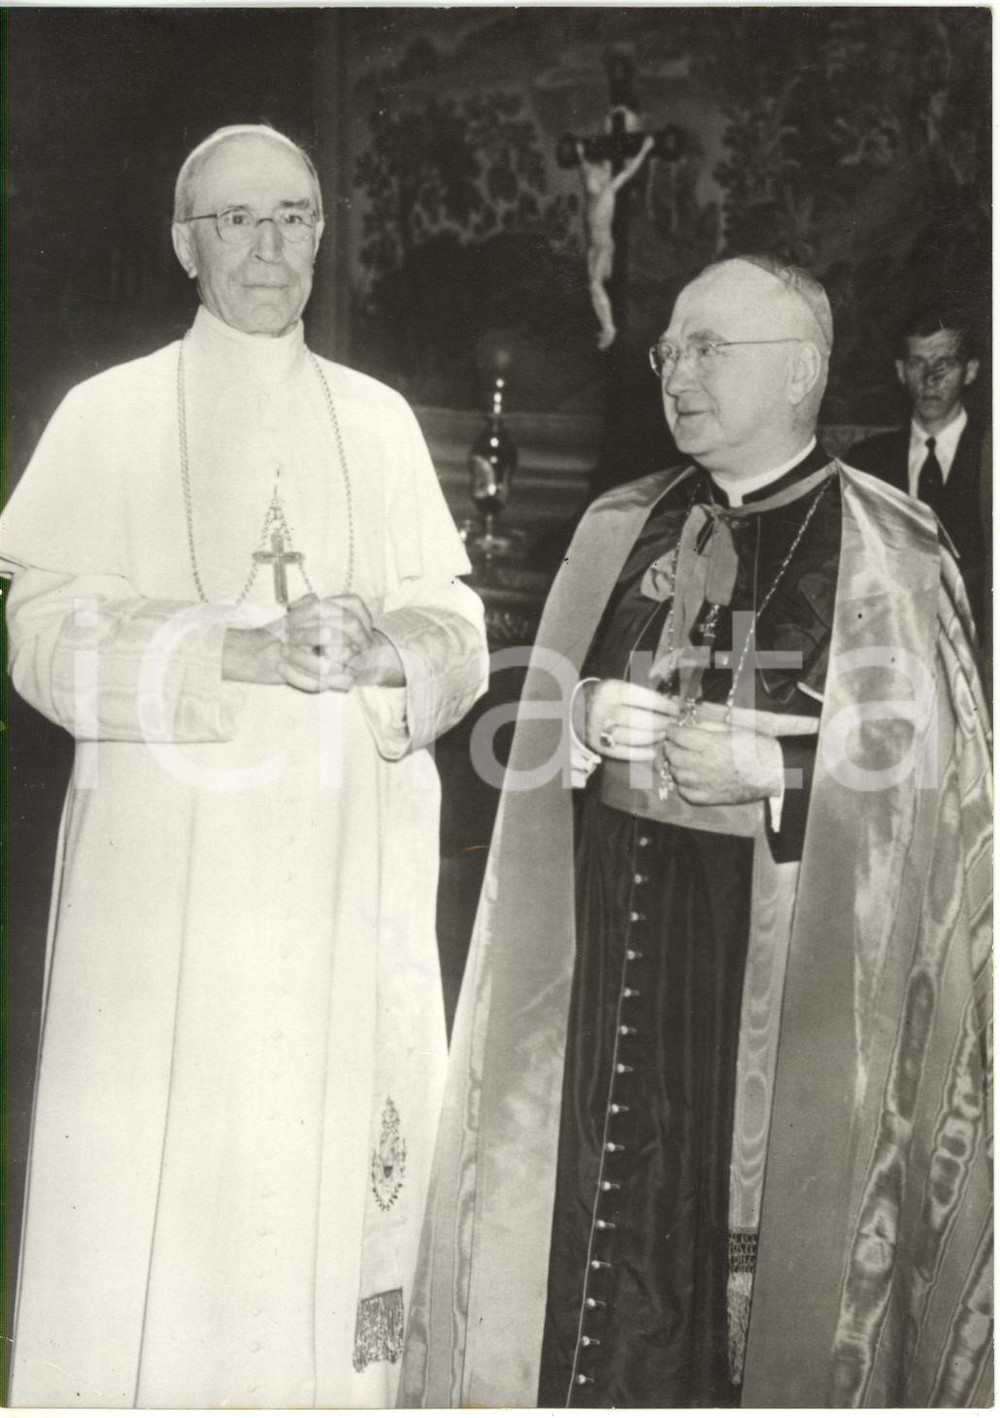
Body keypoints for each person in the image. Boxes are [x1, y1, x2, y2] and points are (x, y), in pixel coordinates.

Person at [399, 257, 992, 1407]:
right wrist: (574, 721)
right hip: (612, 954)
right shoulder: (623, 520)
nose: (677, 372)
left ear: (802, 373)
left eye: (710, 348)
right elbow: (519, 746)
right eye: (670, 349)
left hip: (773, 973)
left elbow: (950, 785)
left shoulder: (890, 547)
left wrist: (777, 765)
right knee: (602, 1261)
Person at [1, 124, 488, 1407]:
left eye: (293, 216)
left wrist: (384, 643)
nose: (269, 245)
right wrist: (241, 650)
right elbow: (44, 642)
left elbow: (460, 627)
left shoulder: (376, 421)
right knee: (169, 1204)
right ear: (185, 244)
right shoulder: (105, 414)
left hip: (340, 878)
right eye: (236, 221)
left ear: (322, 234)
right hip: (168, 894)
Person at [847, 306, 988, 636]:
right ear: (900, 371)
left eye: (945, 364)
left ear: (969, 371)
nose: (931, 379)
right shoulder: (864, 463)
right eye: (918, 364)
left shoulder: (990, 455)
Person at [577, 133, 655, 350]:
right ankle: (605, 326)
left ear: (603, 176)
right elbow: (584, 169)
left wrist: (645, 150)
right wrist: (581, 156)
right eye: (588, 175)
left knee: (595, 284)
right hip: (594, 246)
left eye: (593, 175)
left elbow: (629, 172)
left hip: (604, 246)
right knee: (593, 287)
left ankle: (610, 328)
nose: (587, 178)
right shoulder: (592, 195)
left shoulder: (608, 191)